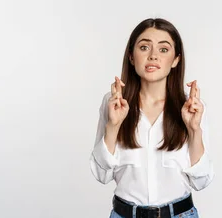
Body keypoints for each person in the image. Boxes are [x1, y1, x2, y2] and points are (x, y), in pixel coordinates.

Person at [89, 18, 214, 218]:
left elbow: (201, 181)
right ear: (131, 56)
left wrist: (194, 130)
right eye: (144, 47)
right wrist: (113, 126)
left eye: (163, 49)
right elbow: (101, 174)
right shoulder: (114, 103)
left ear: (175, 60)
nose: (153, 56)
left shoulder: (191, 107)